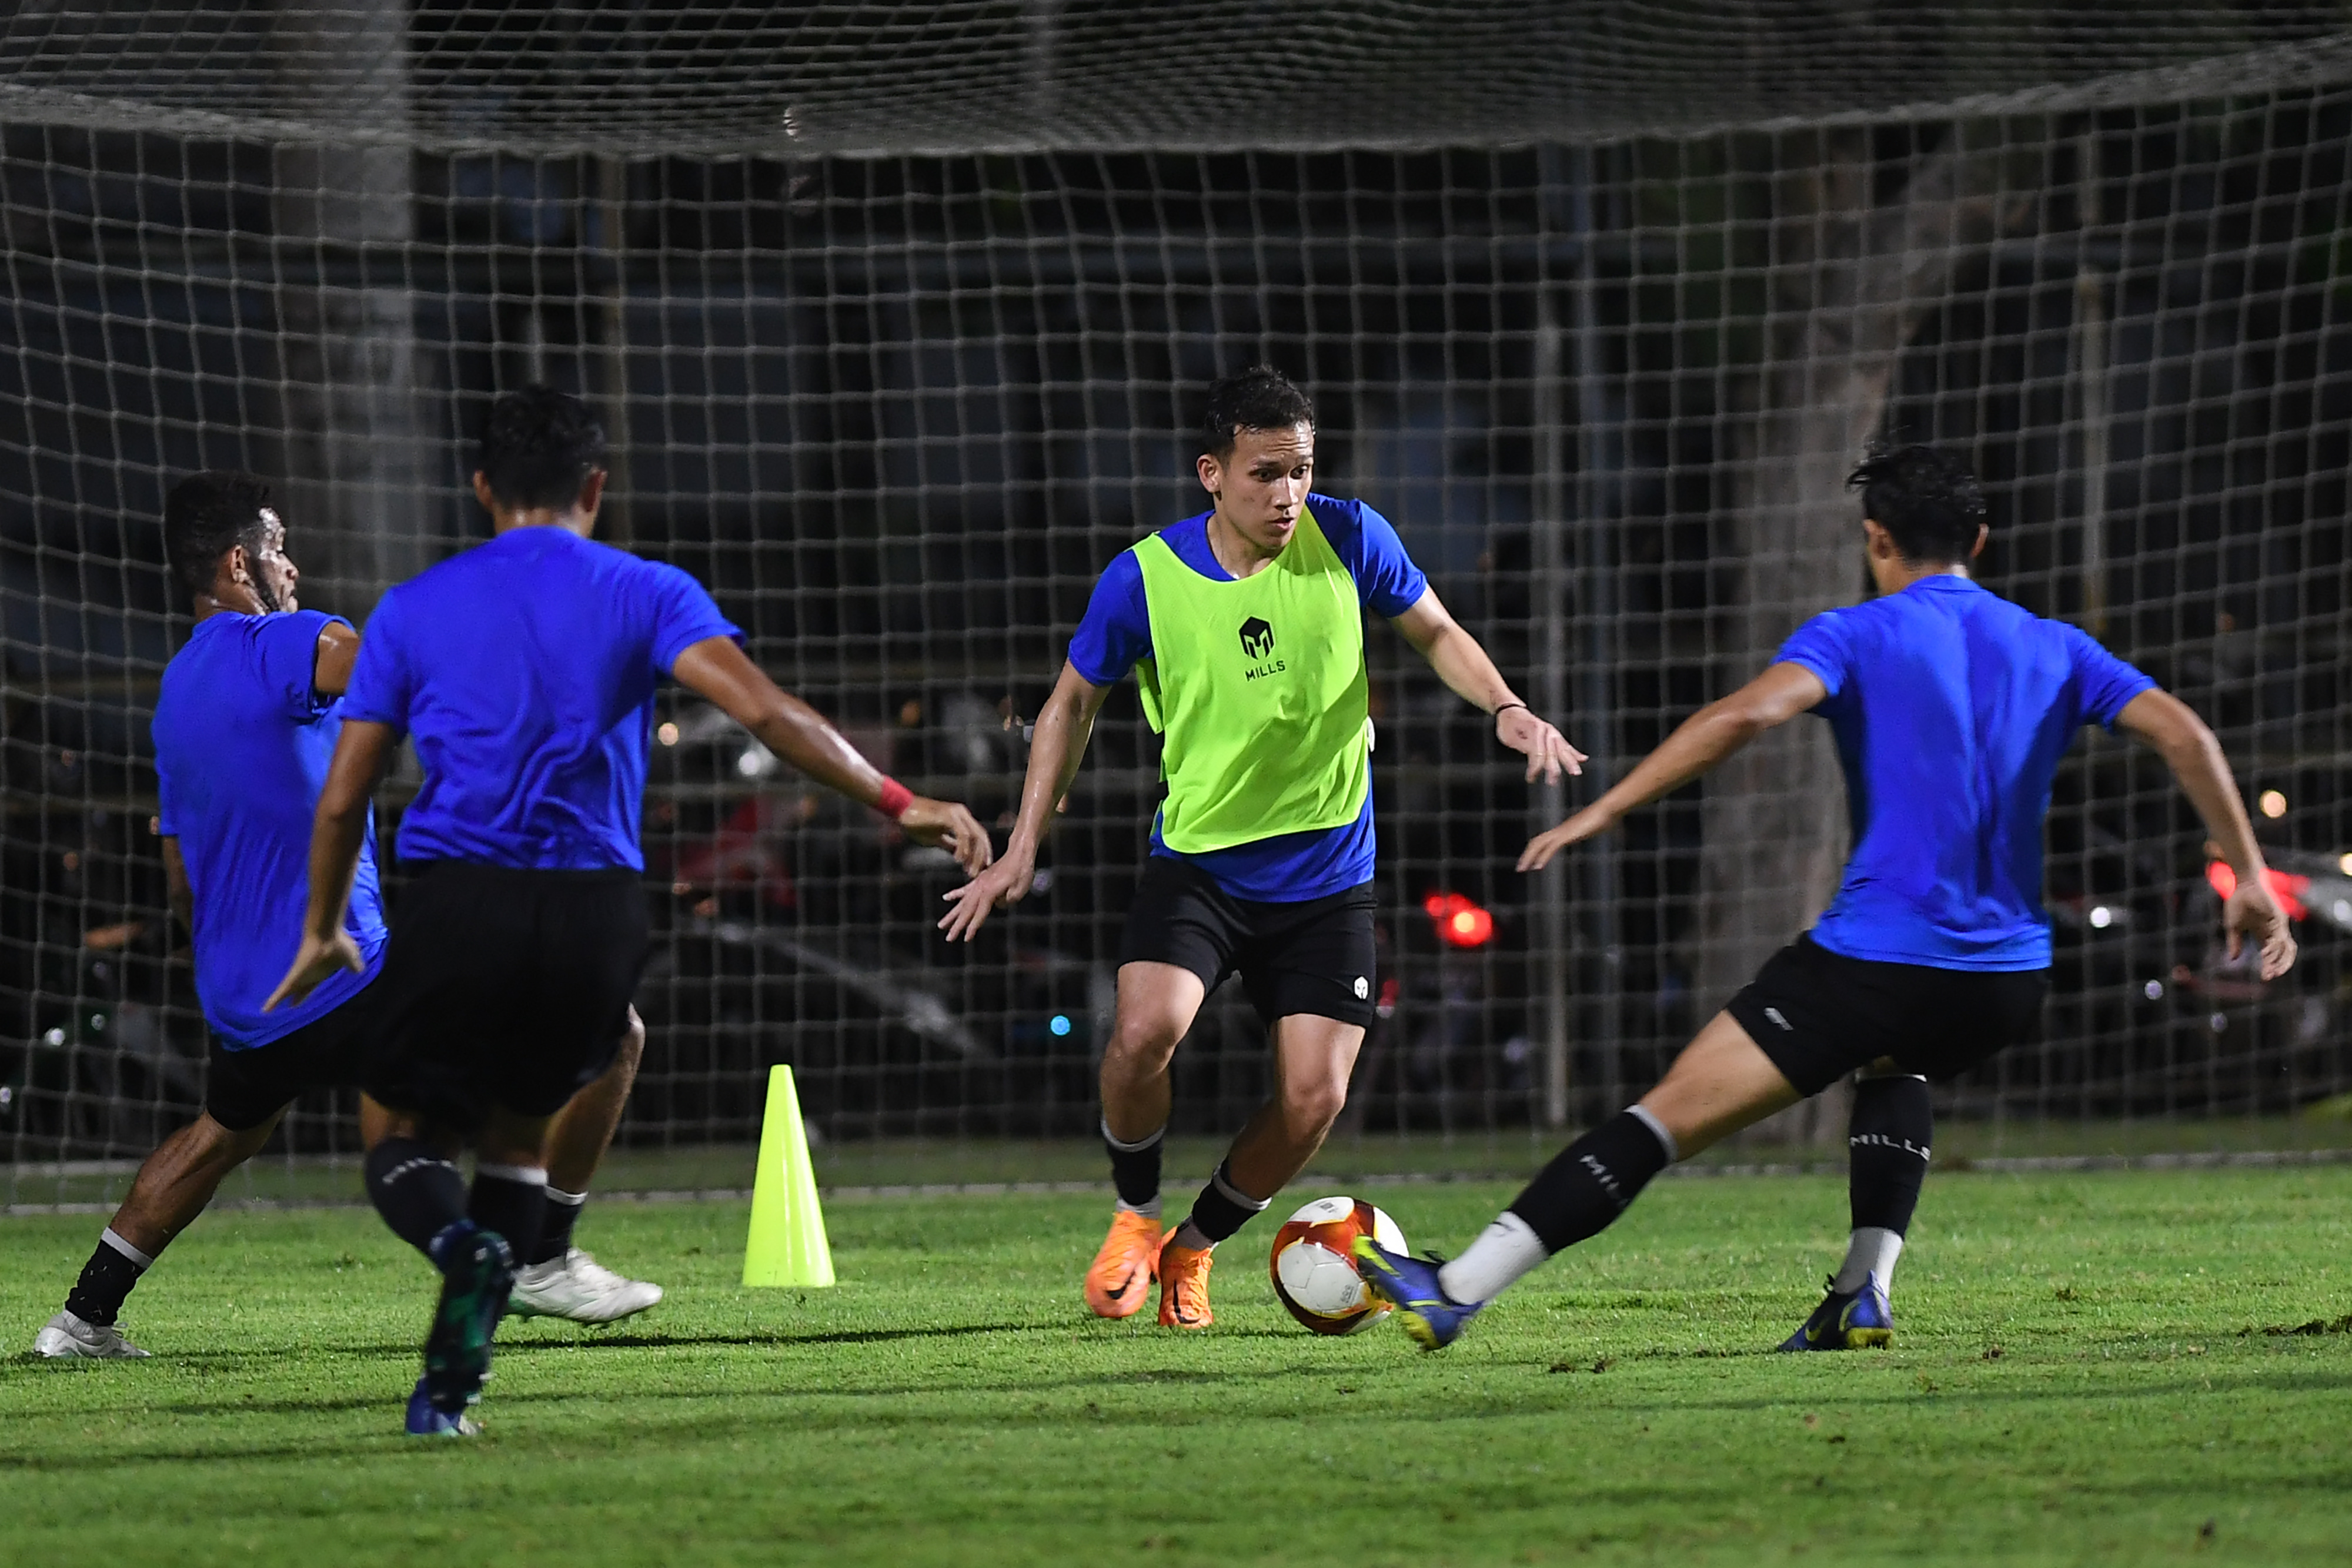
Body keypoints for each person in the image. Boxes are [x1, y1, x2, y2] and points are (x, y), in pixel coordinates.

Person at [1353, 444, 2298, 1351]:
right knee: (1898, 1064)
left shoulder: (1856, 633)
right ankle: (1860, 1291)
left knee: (1662, 1117)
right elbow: (2186, 736)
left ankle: (1456, 1289)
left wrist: (1602, 811)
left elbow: (1744, 715)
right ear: (1979, 541)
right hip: (2007, 982)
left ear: (1876, 538)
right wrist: (2251, 877)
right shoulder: (2056, 646)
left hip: (1876, 961)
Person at [268, 386, 991, 1435]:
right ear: (595, 488)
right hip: (599, 912)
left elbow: (343, 799)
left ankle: (463, 1248)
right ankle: (445, 1396)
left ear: (481, 489)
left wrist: (323, 923)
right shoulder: (646, 590)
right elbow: (770, 713)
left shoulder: (415, 607)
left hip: (464, 891)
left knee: (395, 1130)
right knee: (520, 1136)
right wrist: (903, 800)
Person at [940, 366, 1583, 1329]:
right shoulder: (1145, 578)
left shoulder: (1352, 536)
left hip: (1328, 879)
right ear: (1213, 472)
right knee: (1143, 1033)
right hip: (1202, 865)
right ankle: (1134, 1215)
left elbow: (1437, 630)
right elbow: (1070, 702)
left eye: (1301, 469)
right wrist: (1024, 841)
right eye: (1265, 473)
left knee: (1314, 1099)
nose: (1287, 495)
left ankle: (1193, 1251)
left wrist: (1506, 705)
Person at [33, 472, 656, 1360]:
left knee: (220, 1137)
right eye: (279, 547)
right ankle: (539, 1255)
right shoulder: (287, 639)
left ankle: (80, 1320)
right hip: (340, 968)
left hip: (244, 993)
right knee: (611, 1033)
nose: (293, 563)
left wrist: (206, 951)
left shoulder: (174, 695)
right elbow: (386, 667)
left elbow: (178, 868)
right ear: (241, 562)